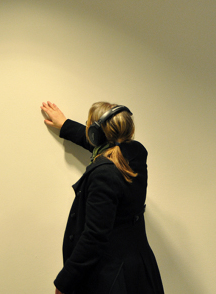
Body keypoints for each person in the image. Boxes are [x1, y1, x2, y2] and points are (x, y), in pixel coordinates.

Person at [41, 101, 165, 294]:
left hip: (113, 278)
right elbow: (104, 145)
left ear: (96, 134)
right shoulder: (136, 153)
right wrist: (65, 125)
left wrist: (64, 282)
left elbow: (94, 237)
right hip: (137, 271)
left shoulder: (104, 175)